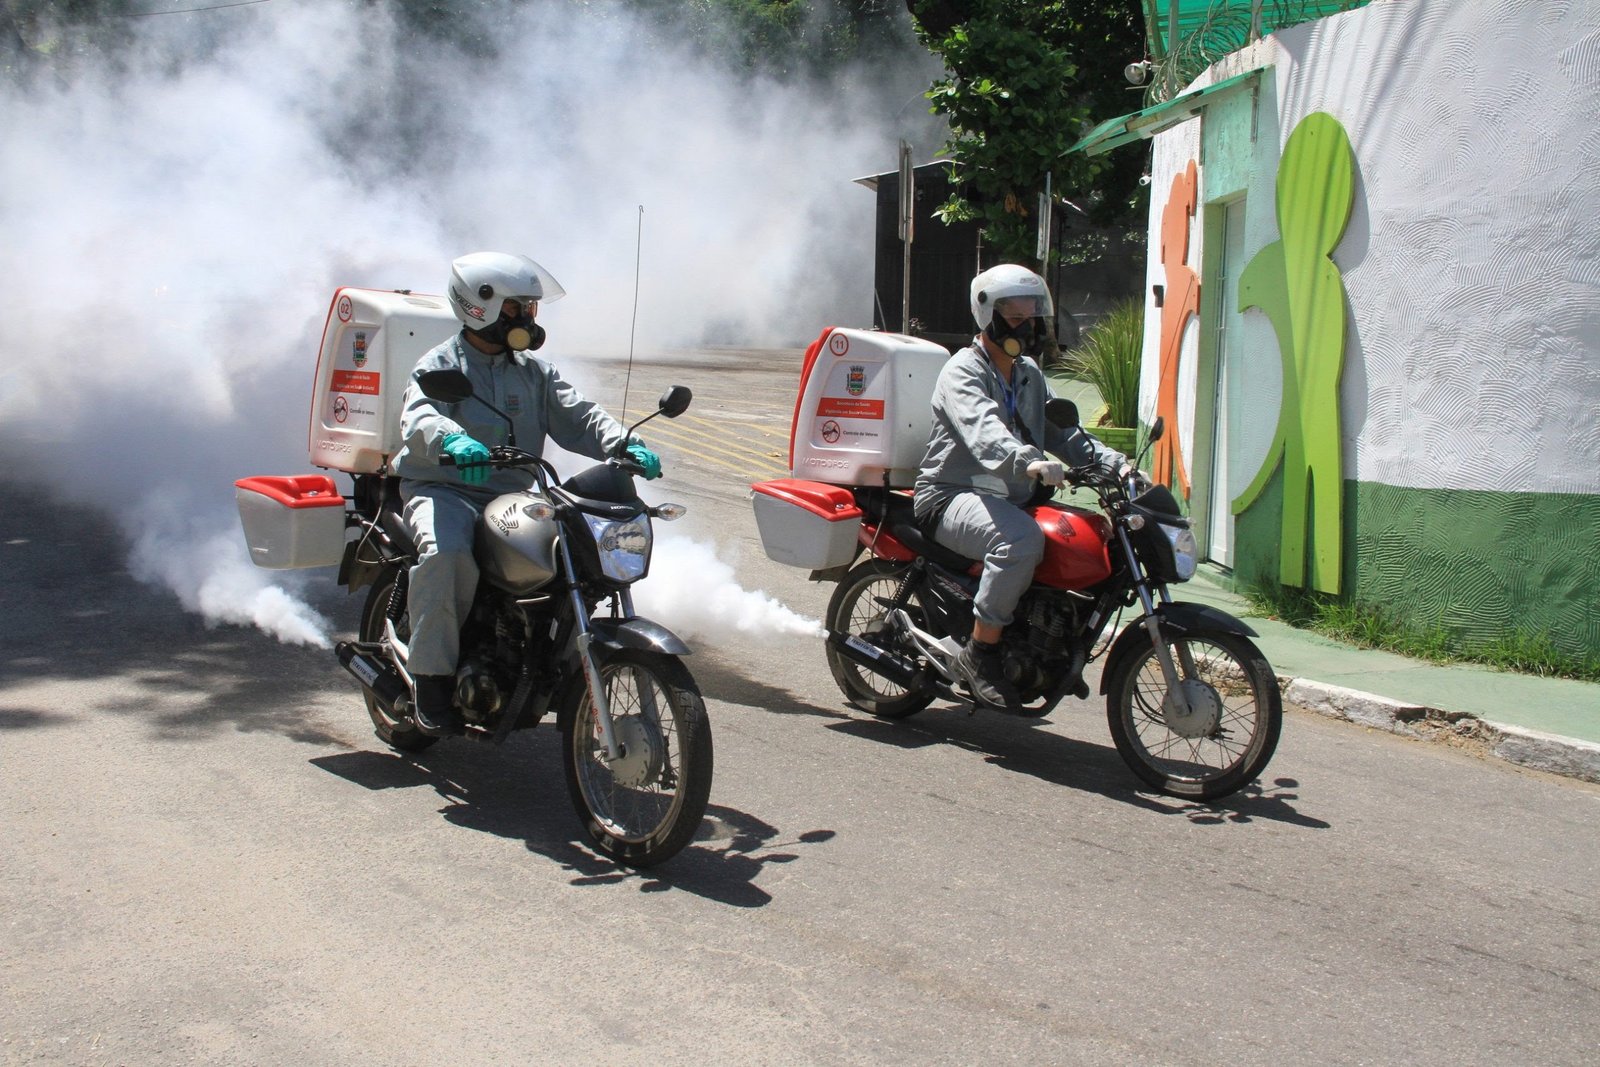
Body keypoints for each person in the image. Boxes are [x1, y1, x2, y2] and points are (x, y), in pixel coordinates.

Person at [391, 251, 662, 737]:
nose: (528, 319)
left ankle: (535, 656)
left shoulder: (533, 372)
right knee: (447, 554)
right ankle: (429, 681)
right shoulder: (440, 365)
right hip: (445, 489)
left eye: (531, 309)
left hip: (511, 496)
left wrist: (624, 442)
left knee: (570, 555)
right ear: (481, 306)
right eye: (518, 308)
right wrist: (451, 439)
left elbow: (578, 414)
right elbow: (420, 416)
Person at [914, 264, 1126, 708]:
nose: (1027, 325)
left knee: (1075, 537)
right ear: (988, 315)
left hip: (1006, 493)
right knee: (1020, 541)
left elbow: (1064, 432)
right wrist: (1030, 461)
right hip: (949, 494)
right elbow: (984, 429)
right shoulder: (962, 372)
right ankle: (981, 651)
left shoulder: (1028, 373)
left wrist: (1118, 467)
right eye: (1015, 315)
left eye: (1033, 314)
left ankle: (1048, 649)